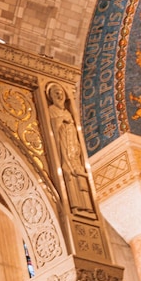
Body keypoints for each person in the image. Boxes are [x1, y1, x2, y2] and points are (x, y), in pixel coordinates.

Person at [47, 84, 93, 214]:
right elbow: (53, 129)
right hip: (63, 147)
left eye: (61, 93)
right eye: (56, 93)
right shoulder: (51, 110)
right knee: (69, 174)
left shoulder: (68, 112)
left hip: (73, 147)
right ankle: (75, 207)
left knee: (79, 172)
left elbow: (74, 130)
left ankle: (87, 208)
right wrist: (61, 120)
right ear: (50, 97)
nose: (59, 95)